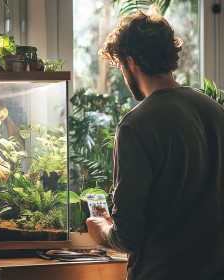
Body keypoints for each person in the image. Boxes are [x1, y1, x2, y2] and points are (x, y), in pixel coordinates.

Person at [86, 5, 224, 280]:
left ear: (131, 62)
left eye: (121, 67)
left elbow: (128, 238)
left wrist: (101, 229)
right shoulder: (214, 111)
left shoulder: (135, 126)